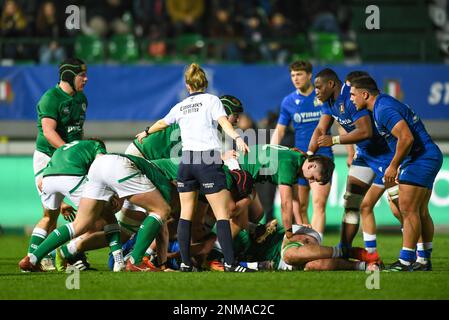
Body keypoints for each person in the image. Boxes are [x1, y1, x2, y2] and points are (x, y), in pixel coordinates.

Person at [135, 63, 252, 272]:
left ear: (188, 85)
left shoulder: (180, 106)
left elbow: (162, 123)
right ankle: (229, 263)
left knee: (186, 214)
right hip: (207, 161)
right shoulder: (211, 100)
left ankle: (185, 263)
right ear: (204, 84)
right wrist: (237, 138)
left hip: (186, 163)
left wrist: (145, 132)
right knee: (222, 213)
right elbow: (225, 123)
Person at [19, 153, 173, 273]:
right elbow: (162, 229)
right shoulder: (167, 182)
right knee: (162, 210)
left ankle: (33, 257)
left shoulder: (164, 166)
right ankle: (135, 261)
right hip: (118, 166)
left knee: (81, 224)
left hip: (97, 167)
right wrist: (162, 263)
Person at [349, 76, 443, 271]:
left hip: (420, 158)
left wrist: (393, 165)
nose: (351, 99)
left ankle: (406, 260)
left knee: (407, 210)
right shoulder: (381, 106)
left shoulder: (383, 109)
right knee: (421, 212)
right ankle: (423, 261)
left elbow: (406, 138)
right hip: (426, 156)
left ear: (365, 94)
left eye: (353, 94)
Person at [309, 68, 393, 258]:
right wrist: (308, 154)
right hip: (364, 156)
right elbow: (320, 129)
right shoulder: (328, 103)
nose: (316, 91)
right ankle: (346, 249)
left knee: (400, 208)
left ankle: (417, 254)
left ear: (331, 84)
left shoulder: (351, 98)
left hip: (385, 156)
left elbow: (365, 132)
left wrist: (336, 140)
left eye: (318, 87)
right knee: (352, 203)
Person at [32, 58, 88, 269]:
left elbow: (79, 131)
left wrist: (82, 153)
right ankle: (39, 257)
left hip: (69, 159)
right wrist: (68, 151)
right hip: (48, 158)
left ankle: (69, 253)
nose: (86, 78)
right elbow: (48, 132)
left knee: (85, 209)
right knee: (50, 214)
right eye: (81, 75)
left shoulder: (81, 99)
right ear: (68, 76)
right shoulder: (50, 98)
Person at [271, 60, 333, 241]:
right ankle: (307, 244)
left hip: (322, 157)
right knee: (302, 207)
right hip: (300, 160)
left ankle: (318, 245)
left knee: (319, 204)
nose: (295, 79)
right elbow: (280, 130)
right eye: (292, 75)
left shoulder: (322, 96)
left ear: (309, 75)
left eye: (299, 74)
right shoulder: (288, 101)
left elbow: (339, 122)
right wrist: (273, 150)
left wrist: (351, 152)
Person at [27, 139, 107, 270]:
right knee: (95, 220)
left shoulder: (65, 148)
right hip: (71, 176)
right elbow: (100, 164)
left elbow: (45, 178)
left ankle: (31, 258)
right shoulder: (96, 145)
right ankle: (71, 255)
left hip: (47, 178)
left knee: (47, 218)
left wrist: (62, 203)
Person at [229, 144, 334, 240]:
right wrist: (289, 234)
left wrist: (300, 224)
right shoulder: (289, 164)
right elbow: (285, 204)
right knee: (237, 219)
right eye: (313, 178)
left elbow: (294, 199)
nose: (311, 181)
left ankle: (246, 243)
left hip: (243, 174)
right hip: (235, 172)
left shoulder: (299, 157)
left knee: (257, 214)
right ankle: (221, 252)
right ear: (312, 166)